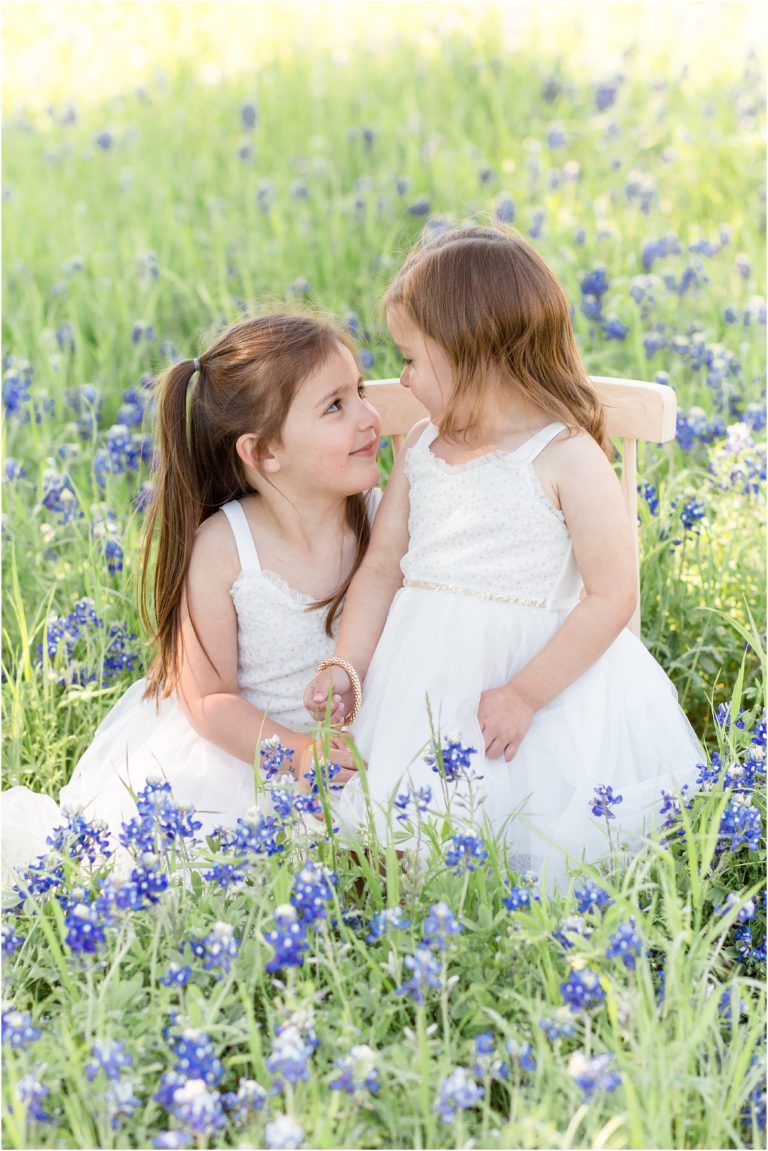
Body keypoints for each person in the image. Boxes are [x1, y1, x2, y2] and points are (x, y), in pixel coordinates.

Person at [305, 225, 704, 888]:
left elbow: (612, 594)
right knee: (399, 829)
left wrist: (525, 692)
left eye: (410, 358)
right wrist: (348, 662)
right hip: (422, 670)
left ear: (473, 356)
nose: (400, 379)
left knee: (534, 831)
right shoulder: (423, 446)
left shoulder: (566, 454)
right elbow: (381, 567)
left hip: (539, 679)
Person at [3, 311, 382, 883]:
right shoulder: (224, 547)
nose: (371, 418)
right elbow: (209, 701)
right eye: (337, 406)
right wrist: (299, 754)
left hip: (359, 738)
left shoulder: (378, 513)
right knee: (201, 870)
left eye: (361, 389)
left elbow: (434, 405)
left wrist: (345, 396)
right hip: (247, 747)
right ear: (262, 453)